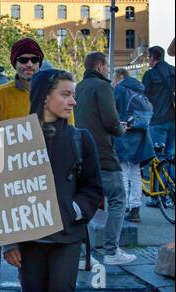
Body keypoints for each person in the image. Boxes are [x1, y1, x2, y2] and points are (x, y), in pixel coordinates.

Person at [3, 69, 103, 292]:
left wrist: (71, 210)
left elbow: (94, 188)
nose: (73, 101)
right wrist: (8, 242)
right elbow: (2, 192)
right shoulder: (16, 140)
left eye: (73, 94)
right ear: (45, 97)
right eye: (66, 94)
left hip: (67, 238)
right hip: (29, 242)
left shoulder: (81, 138)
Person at [75, 52, 136, 265]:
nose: (108, 69)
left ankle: (83, 254)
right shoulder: (103, 87)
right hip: (103, 154)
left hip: (82, 153)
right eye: (107, 66)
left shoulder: (79, 87)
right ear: (100, 66)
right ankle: (111, 251)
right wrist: (121, 129)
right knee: (118, 199)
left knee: (85, 203)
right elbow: (110, 122)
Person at [0, 38, 74, 124]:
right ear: (15, 63)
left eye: (34, 60)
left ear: (39, 63)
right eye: (23, 60)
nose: (29, 64)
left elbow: (70, 133)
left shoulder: (58, 95)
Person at [113, 68, 155, 223]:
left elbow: (112, 110)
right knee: (136, 173)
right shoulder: (139, 89)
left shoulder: (120, 89)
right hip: (141, 135)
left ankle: (123, 207)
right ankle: (135, 209)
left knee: (122, 172)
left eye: (114, 78)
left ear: (120, 77)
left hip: (124, 134)